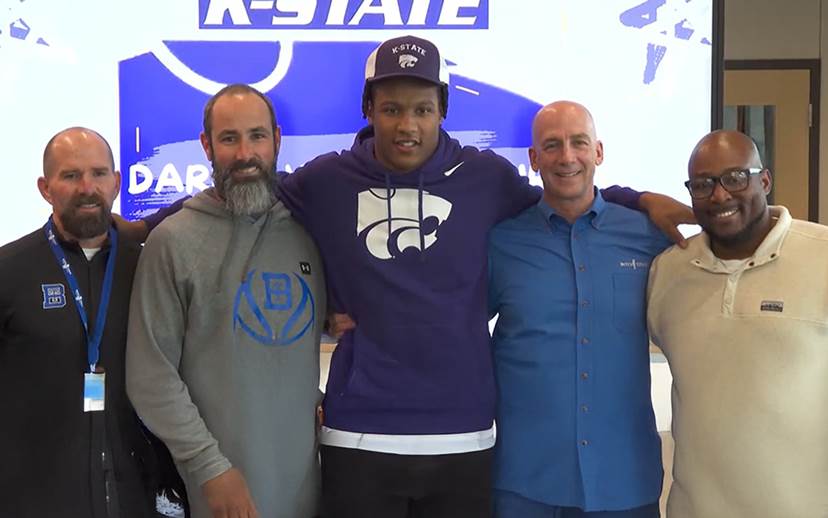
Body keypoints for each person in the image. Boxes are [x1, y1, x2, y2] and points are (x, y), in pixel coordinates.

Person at [124, 36, 693, 517]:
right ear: (369, 110)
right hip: (358, 436)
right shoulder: (327, 181)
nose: (407, 125)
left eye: (422, 109)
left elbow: (563, 198)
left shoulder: (485, 177)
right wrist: (141, 226)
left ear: (442, 111)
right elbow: (243, 186)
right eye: (392, 108)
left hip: (464, 435)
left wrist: (635, 198)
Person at [125, 84, 326, 518]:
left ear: (277, 139)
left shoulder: (309, 233)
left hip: (306, 490)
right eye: (229, 138)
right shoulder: (173, 242)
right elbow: (150, 378)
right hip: (218, 492)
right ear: (206, 146)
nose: (244, 153)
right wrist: (209, 469)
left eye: (256, 136)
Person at [488, 102, 669, 518]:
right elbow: (455, 324)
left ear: (599, 152)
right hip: (525, 482)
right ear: (533, 160)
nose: (566, 157)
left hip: (624, 480)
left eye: (579, 143)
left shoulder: (648, 237)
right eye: (551, 145)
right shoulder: (501, 243)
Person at [647, 130, 828, 517]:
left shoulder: (822, 257)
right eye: (703, 184)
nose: (719, 195)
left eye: (735, 178)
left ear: (764, 180)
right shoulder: (668, 270)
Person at [0, 127, 160, 517]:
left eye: (99, 174)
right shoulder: (9, 270)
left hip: (135, 493)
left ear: (117, 182)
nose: (87, 187)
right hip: (33, 497)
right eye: (70, 176)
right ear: (45, 187)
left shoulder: (148, 267)